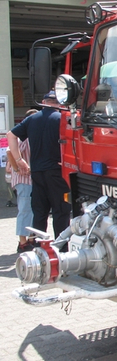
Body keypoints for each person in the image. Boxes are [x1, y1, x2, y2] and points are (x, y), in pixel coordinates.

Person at [7, 92, 71, 244]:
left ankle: (39, 248)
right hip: (57, 173)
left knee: (39, 214)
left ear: (43, 102)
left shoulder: (31, 119)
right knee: (60, 213)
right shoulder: (62, 119)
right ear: (60, 103)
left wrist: (19, 160)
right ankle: (61, 250)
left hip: (36, 173)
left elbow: (11, 135)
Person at [6, 108, 38, 252]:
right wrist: (18, 168)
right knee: (25, 210)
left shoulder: (31, 136)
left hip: (30, 179)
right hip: (24, 180)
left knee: (32, 209)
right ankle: (23, 242)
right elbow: (8, 151)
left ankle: (30, 238)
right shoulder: (22, 137)